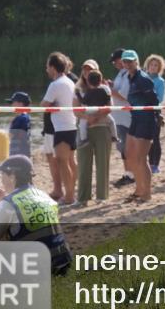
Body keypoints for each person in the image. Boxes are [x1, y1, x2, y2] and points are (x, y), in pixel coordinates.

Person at [0, 155, 73, 275]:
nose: (1, 180)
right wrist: (4, 199)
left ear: (12, 176)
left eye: (2, 175)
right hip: (64, 263)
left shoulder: (9, 204)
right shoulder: (44, 196)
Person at [121, 50, 159, 202]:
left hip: (146, 120)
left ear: (136, 62)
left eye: (130, 61)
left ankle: (147, 193)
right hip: (135, 119)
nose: (128, 64)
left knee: (141, 158)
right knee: (129, 154)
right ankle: (139, 189)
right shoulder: (129, 77)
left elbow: (154, 101)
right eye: (125, 61)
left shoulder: (143, 79)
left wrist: (158, 116)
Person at [40, 53, 77, 204]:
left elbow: (43, 105)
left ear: (54, 68)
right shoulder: (69, 81)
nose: (46, 69)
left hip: (62, 128)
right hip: (71, 125)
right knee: (69, 161)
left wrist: (51, 106)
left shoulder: (55, 84)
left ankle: (69, 197)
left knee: (63, 162)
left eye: (48, 66)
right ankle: (72, 193)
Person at [75, 69, 112, 204]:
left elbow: (109, 107)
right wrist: (87, 118)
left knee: (102, 163)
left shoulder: (105, 89)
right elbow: (75, 110)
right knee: (83, 164)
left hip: (102, 128)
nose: (86, 73)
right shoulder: (78, 89)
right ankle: (82, 198)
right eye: (84, 70)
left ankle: (102, 196)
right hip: (85, 129)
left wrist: (95, 117)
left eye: (90, 70)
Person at [109, 49, 135, 189]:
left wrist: (111, 91)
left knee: (128, 148)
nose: (115, 64)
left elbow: (125, 95)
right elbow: (118, 90)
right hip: (119, 116)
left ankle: (131, 175)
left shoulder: (129, 75)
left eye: (116, 61)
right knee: (122, 148)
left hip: (127, 117)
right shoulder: (121, 73)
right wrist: (112, 86)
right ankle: (128, 173)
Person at [144, 54, 165, 174]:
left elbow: (160, 98)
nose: (153, 67)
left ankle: (155, 164)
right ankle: (147, 162)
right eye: (151, 65)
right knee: (145, 138)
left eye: (156, 65)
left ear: (159, 67)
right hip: (143, 111)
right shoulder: (143, 78)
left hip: (154, 111)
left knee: (155, 138)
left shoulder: (160, 81)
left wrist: (148, 97)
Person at [5, 91, 32, 157]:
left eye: (13, 102)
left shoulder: (20, 119)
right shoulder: (26, 117)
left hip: (18, 151)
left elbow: (11, 135)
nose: (11, 105)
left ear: (20, 104)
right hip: (25, 150)